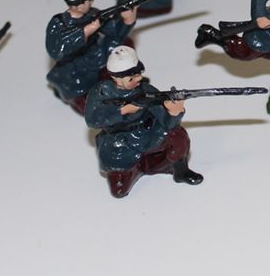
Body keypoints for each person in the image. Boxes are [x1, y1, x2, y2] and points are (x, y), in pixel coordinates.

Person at [84, 46, 202, 199]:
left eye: (138, 74)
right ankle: (136, 168)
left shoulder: (146, 91)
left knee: (177, 135)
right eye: (131, 78)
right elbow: (92, 120)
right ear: (116, 78)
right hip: (118, 142)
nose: (138, 79)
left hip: (148, 133)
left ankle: (180, 171)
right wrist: (124, 110)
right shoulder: (100, 93)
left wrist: (174, 112)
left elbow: (167, 122)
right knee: (119, 190)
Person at [46, 0, 136, 116]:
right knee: (88, 105)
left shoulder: (92, 14)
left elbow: (114, 32)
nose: (92, 2)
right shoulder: (58, 23)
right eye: (89, 0)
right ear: (79, 4)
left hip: (95, 55)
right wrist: (88, 30)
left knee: (123, 45)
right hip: (74, 70)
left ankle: (119, 79)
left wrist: (127, 20)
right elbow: (57, 50)